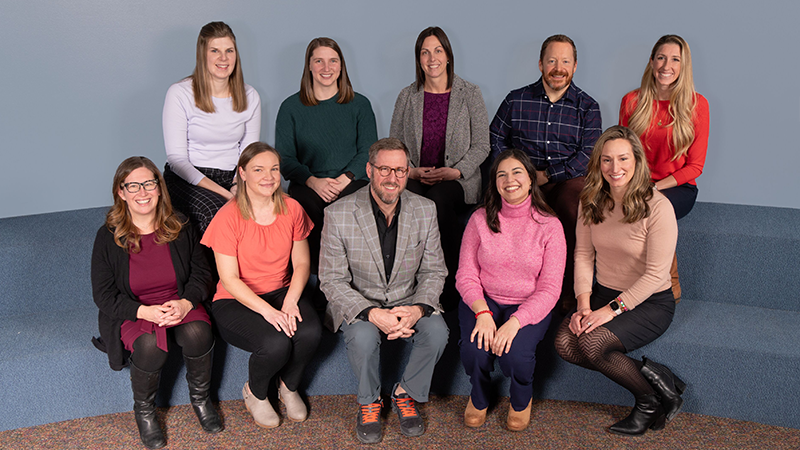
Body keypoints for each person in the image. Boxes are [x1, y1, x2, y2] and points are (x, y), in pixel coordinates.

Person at [554, 126, 685, 436]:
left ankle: (648, 401)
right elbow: (583, 256)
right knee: (564, 344)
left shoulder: (658, 208)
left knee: (591, 342)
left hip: (651, 302)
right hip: (603, 293)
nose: (615, 168)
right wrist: (584, 305)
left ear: (637, 161)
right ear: (598, 163)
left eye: (623, 159)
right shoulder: (591, 201)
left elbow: (656, 276)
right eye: (607, 160)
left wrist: (608, 312)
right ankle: (657, 378)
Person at [319, 138, 449, 444]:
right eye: (385, 169)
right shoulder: (338, 213)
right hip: (361, 302)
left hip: (409, 300)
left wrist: (417, 309)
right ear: (369, 169)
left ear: (408, 172)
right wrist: (371, 312)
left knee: (438, 332)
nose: (393, 178)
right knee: (363, 338)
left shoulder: (425, 209)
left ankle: (406, 392)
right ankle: (369, 401)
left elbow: (434, 271)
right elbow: (331, 279)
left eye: (401, 170)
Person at [91, 157, 220, 449]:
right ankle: (145, 411)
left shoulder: (180, 225)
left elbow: (202, 273)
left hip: (179, 302)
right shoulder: (108, 237)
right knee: (149, 344)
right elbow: (104, 295)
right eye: (133, 186)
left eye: (149, 183)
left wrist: (187, 303)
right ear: (121, 192)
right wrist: (143, 311)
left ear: (159, 188)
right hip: (133, 310)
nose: (143, 192)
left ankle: (201, 400)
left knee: (198, 332)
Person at [201, 142, 322, 429]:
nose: (268, 176)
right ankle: (255, 393)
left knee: (310, 332)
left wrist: (290, 302)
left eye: (274, 169)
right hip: (235, 299)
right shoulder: (228, 216)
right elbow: (229, 279)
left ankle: (288, 387)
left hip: (281, 290)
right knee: (275, 343)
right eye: (258, 170)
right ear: (242, 173)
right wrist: (269, 312)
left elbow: (302, 264)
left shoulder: (292, 208)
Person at [489, 34, 602, 313]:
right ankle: (511, 287)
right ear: (540, 64)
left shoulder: (588, 107)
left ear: (575, 66)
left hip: (566, 180)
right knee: (507, 205)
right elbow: (495, 138)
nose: (558, 67)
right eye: (552, 60)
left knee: (570, 206)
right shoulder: (516, 100)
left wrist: (548, 175)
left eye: (565, 61)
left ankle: (567, 289)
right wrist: (516, 173)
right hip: (522, 179)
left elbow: (588, 155)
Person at [456, 149, 566, 431]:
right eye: (501, 175)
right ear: (494, 183)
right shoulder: (479, 219)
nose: (509, 180)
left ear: (531, 179)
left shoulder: (550, 226)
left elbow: (551, 289)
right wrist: (482, 312)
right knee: (474, 351)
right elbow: (466, 274)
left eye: (517, 172)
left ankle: (521, 400)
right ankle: (479, 396)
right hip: (485, 301)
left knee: (515, 355)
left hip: (529, 305)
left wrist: (515, 322)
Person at [390, 26, 490, 311]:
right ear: (418, 59)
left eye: (438, 51)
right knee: (407, 198)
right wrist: (410, 171)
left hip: (458, 180)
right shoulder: (407, 96)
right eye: (425, 52)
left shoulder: (469, 93)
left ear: (448, 56)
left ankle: (446, 285)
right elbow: (394, 145)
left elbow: (483, 145)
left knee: (436, 200)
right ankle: (405, 282)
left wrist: (455, 171)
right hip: (415, 176)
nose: (431, 58)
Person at [619, 34, 709, 301]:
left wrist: (655, 187)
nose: (666, 65)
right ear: (651, 62)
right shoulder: (632, 102)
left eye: (674, 59)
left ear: (683, 66)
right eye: (660, 58)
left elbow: (695, 166)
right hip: (636, 183)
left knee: (652, 209)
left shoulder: (697, 105)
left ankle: (669, 283)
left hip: (677, 187)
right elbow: (623, 152)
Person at [276, 37, 378, 273]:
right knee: (308, 208)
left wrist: (345, 179)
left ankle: (355, 278)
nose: (326, 68)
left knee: (349, 207)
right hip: (308, 183)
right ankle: (320, 284)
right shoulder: (290, 107)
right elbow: (286, 159)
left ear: (341, 66)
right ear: (309, 66)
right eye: (319, 61)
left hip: (352, 180)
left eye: (333, 61)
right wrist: (314, 182)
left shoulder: (360, 104)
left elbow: (368, 151)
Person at [163, 21, 261, 233]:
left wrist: (237, 186)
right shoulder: (180, 93)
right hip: (189, 179)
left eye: (229, 51)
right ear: (202, 55)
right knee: (218, 213)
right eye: (215, 51)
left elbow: (249, 154)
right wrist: (227, 195)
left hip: (235, 177)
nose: (223, 58)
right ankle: (218, 268)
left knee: (271, 206)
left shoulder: (250, 96)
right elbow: (177, 160)